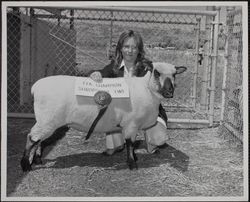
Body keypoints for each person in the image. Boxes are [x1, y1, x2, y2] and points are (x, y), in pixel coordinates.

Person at [89, 30, 168, 155]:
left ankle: (151, 142)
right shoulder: (114, 66)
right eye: (126, 47)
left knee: (159, 138)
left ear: (139, 50)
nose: (130, 51)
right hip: (125, 113)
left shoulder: (148, 68)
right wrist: (96, 74)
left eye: (134, 47)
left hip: (147, 112)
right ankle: (118, 144)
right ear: (120, 48)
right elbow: (102, 73)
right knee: (112, 114)